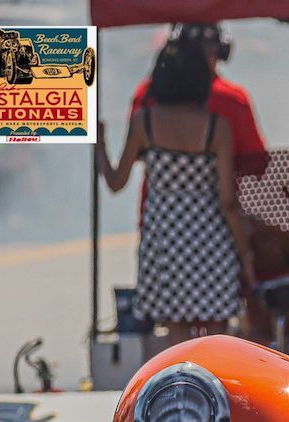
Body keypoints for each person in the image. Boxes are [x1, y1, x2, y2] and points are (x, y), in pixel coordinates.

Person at [97, 42, 251, 346]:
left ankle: (182, 392)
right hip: (211, 245)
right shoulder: (216, 128)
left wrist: (99, 144)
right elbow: (227, 202)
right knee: (218, 341)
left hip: (165, 246)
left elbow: (116, 181)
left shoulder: (145, 122)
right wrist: (245, 252)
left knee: (177, 342)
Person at [130, 23, 267, 177]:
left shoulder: (147, 96)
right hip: (218, 200)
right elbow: (257, 164)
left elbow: (133, 155)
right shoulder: (234, 101)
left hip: (156, 201)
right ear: (221, 51)